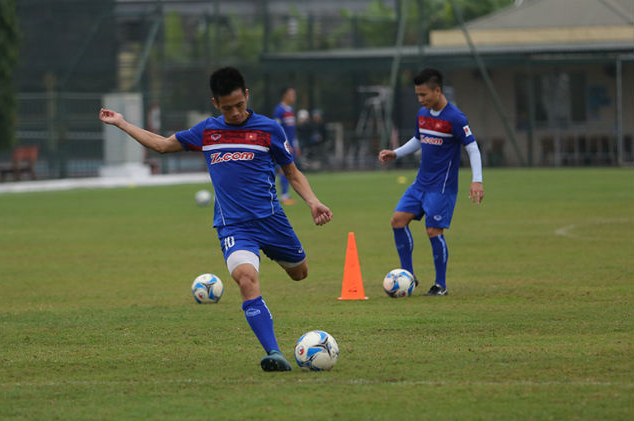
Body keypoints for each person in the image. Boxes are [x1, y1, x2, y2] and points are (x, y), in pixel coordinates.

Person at [99, 67, 333, 372]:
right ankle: (273, 352)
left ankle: (273, 257)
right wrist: (122, 123)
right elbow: (161, 145)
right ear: (215, 104)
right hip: (234, 226)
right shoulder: (207, 132)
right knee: (246, 279)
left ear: (246, 95)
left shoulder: (269, 129)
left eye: (239, 105)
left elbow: (291, 171)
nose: (235, 113)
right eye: (227, 108)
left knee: (300, 274)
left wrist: (313, 202)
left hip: (272, 221)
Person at [378, 68, 484, 296]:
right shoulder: (422, 114)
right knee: (397, 220)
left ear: (437, 90)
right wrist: (395, 153)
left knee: (433, 230)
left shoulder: (455, 118)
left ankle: (440, 285)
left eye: (424, 95)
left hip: (442, 188)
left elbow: (472, 148)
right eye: (418, 95)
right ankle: (408, 276)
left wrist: (477, 180)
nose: (420, 99)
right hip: (420, 184)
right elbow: (418, 139)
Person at [273, 87, 300, 205]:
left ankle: (286, 195)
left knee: (290, 169)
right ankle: (284, 196)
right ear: (285, 95)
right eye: (291, 94)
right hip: (284, 145)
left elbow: (292, 130)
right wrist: (285, 143)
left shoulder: (291, 110)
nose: (294, 97)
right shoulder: (279, 110)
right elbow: (278, 128)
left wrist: (296, 144)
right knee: (284, 169)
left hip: (292, 144)